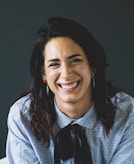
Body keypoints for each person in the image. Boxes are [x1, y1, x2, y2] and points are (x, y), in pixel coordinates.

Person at [6, 17, 134, 164]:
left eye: (75, 60)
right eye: (54, 64)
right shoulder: (23, 117)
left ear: (92, 67)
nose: (66, 74)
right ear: (44, 74)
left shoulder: (127, 114)